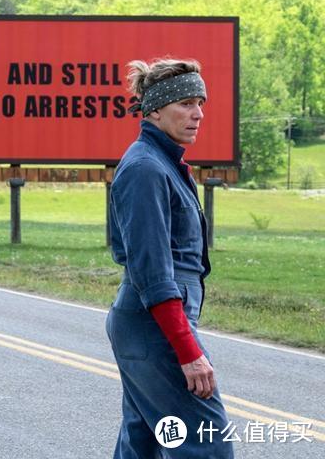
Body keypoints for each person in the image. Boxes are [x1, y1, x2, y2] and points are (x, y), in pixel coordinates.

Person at [106, 58, 234, 458]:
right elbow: (153, 274)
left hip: (147, 327)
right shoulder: (146, 169)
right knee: (206, 442)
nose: (197, 114)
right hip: (153, 328)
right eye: (185, 103)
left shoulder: (163, 162)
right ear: (155, 110)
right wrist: (188, 351)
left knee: (143, 442)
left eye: (201, 103)